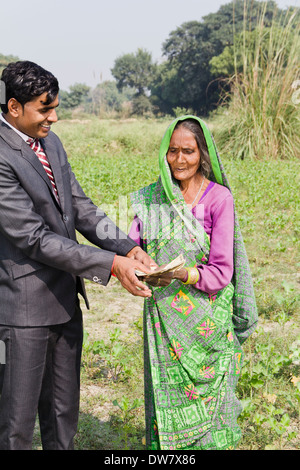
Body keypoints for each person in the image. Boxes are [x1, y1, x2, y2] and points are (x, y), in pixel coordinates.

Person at [0, 60, 156, 450]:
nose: (54, 117)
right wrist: (110, 265)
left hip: (64, 302)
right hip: (22, 313)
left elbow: (81, 208)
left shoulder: (49, 141)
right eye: (44, 108)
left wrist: (127, 247)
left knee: (63, 415)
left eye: (55, 107)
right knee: (15, 425)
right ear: (14, 107)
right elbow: (33, 237)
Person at [129, 115, 258, 450]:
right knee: (165, 401)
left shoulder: (219, 199)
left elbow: (220, 272)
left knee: (214, 419)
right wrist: (137, 263)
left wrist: (182, 273)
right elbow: (131, 247)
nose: (179, 160)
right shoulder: (152, 199)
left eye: (188, 151)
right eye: (172, 151)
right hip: (165, 325)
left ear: (202, 154)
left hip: (207, 325)